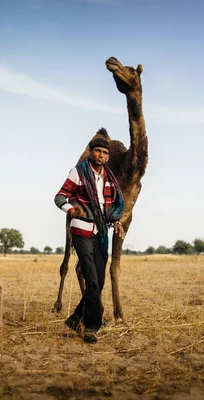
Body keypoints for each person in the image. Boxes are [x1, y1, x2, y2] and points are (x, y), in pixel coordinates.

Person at [54, 137, 125, 343]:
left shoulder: (110, 177)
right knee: (92, 280)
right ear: (91, 152)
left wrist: (117, 222)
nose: (101, 155)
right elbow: (59, 197)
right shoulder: (78, 172)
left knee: (100, 282)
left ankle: (76, 318)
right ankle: (92, 326)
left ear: (108, 156)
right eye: (98, 151)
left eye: (105, 152)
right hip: (81, 231)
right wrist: (71, 210)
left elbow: (110, 208)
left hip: (101, 233)